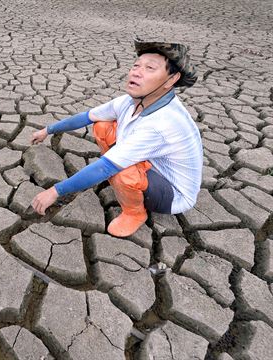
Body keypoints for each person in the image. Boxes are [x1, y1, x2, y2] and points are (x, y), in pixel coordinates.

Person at [30, 40, 202, 238]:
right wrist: (48, 130)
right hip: (150, 165)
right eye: (136, 66)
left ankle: (134, 212)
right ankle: (121, 176)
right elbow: (87, 116)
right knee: (102, 126)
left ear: (171, 79)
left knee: (123, 171)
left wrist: (54, 192)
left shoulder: (162, 124)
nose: (136, 72)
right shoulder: (131, 102)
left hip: (172, 193)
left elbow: (104, 167)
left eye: (150, 68)